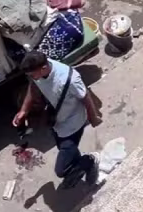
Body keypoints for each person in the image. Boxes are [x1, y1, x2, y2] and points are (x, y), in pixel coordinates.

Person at [13, 51, 101, 186]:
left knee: (61, 170)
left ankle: (90, 160)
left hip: (73, 125)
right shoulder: (40, 74)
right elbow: (34, 87)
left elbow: (86, 97)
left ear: (43, 69)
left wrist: (93, 117)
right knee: (66, 151)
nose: (32, 78)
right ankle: (78, 162)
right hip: (57, 123)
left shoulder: (69, 78)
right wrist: (24, 110)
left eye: (32, 75)